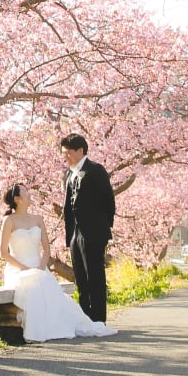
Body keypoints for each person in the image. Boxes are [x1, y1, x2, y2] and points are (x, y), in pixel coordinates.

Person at [0, 182, 116, 341]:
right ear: (18, 199)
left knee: (47, 285)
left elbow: (46, 249)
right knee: (33, 287)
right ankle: (40, 329)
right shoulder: (9, 221)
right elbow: (4, 253)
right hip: (17, 269)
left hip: (38, 266)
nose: (29, 194)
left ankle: (59, 325)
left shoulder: (38, 219)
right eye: (25, 192)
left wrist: (40, 266)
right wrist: (24, 269)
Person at [61, 132, 116, 324]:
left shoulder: (96, 170)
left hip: (93, 233)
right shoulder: (70, 174)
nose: (65, 156)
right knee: (81, 279)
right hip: (76, 234)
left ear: (80, 150)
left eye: (68, 152)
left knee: (95, 277)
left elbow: (109, 201)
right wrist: (69, 236)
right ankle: (85, 319)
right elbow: (68, 206)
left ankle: (99, 320)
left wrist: (102, 228)